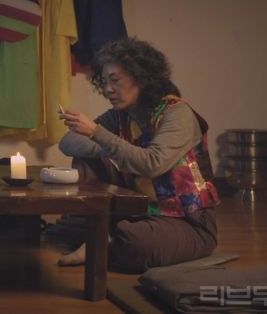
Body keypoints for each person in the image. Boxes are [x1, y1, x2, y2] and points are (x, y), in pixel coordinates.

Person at [57, 37, 220, 273]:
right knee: (87, 157)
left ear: (142, 78)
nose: (108, 89)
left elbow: (153, 164)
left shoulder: (177, 113)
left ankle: (104, 239)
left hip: (187, 221)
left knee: (136, 243)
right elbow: (68, 142)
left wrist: (97, 134)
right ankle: (102, 234)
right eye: (105, 82)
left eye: (115, 80)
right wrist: (112, 146)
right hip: (140, 212)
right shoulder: (120, 115)